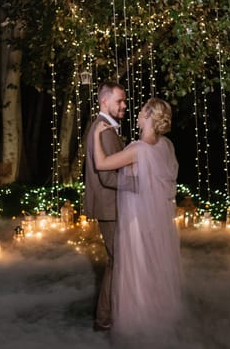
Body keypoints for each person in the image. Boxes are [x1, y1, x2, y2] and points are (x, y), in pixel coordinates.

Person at [93, 97, 181, 339]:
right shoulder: (165, 146)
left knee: (137, 267)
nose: (138, 113)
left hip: (137, 219)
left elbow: (101, 165)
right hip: (157, 219)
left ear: (150, 117)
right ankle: (154, 313)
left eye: (142, 111)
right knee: (152, 264)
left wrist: (95, 136)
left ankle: (138, 319)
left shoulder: (138, 150)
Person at [84, 81, 127, 332]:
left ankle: (110, 314)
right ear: (105, 102)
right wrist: (140, 184)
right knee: (117, 261)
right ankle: (104, 319)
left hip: (110, 205)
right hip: (110, 207)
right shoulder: (105, 131)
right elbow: (108, 177)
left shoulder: (106, 128)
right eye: (119, 101)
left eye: (124, 101)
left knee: (116, 260)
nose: (123, 105)